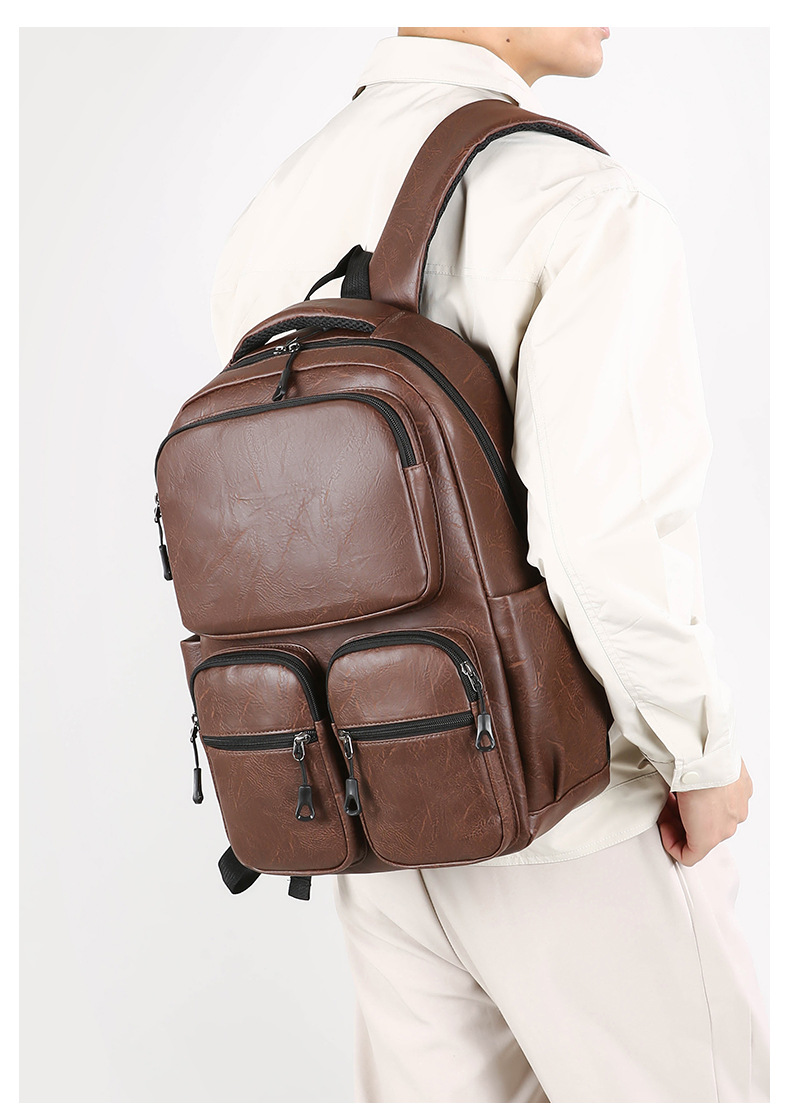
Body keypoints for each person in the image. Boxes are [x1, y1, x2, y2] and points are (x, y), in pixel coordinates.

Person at [210, 27, 768, 1104]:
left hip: (364, 811)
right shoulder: (575, 201)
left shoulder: (275, 206)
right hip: (571, 818)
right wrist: (700, 756)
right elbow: (601, 546)